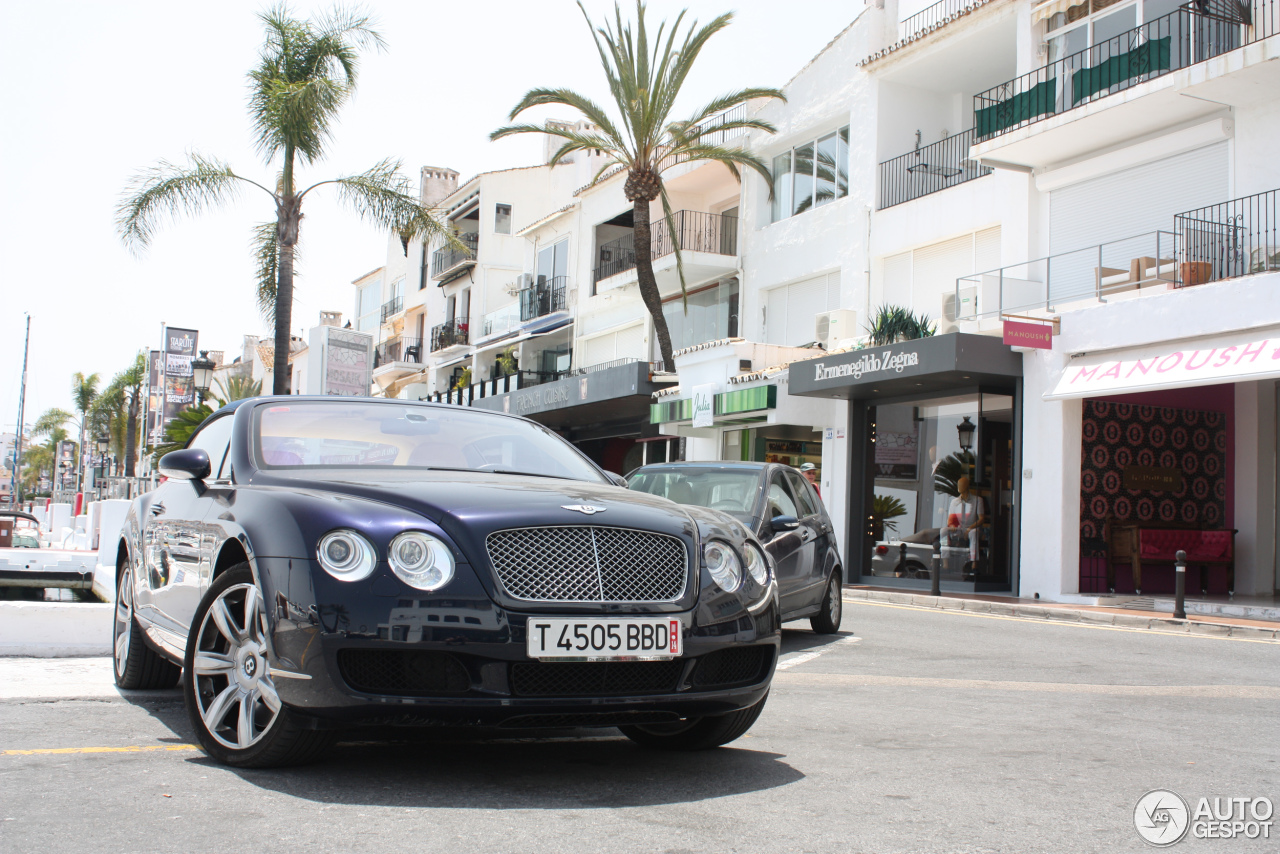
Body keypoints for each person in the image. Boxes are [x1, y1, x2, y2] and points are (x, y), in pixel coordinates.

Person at [945, 476, 985, 561]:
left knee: (974, 533)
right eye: (958, 485)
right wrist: (952, 525)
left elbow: (981, 519)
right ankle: (944, 560)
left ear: (967, 486)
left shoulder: (977, 500)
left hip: (972, 528)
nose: (959, 487)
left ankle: (974, 562)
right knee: (943, 531)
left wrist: (970, 528)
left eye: (961, 485)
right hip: (959, 529)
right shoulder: (954, 502)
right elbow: (950, 520)